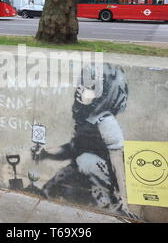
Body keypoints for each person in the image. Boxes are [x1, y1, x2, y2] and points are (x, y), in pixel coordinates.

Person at [32, 64, 136, 218]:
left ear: (106, 92)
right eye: (81, 83)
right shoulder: (87, 119)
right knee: (51, 187)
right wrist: (46, 153)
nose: (81, 88)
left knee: (86, 161)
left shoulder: (106, 122)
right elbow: (72, 148)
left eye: (90, 86)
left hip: (101, 179)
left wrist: (124, 199)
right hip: (82, 169)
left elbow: (117, 161)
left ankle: (113, 207)